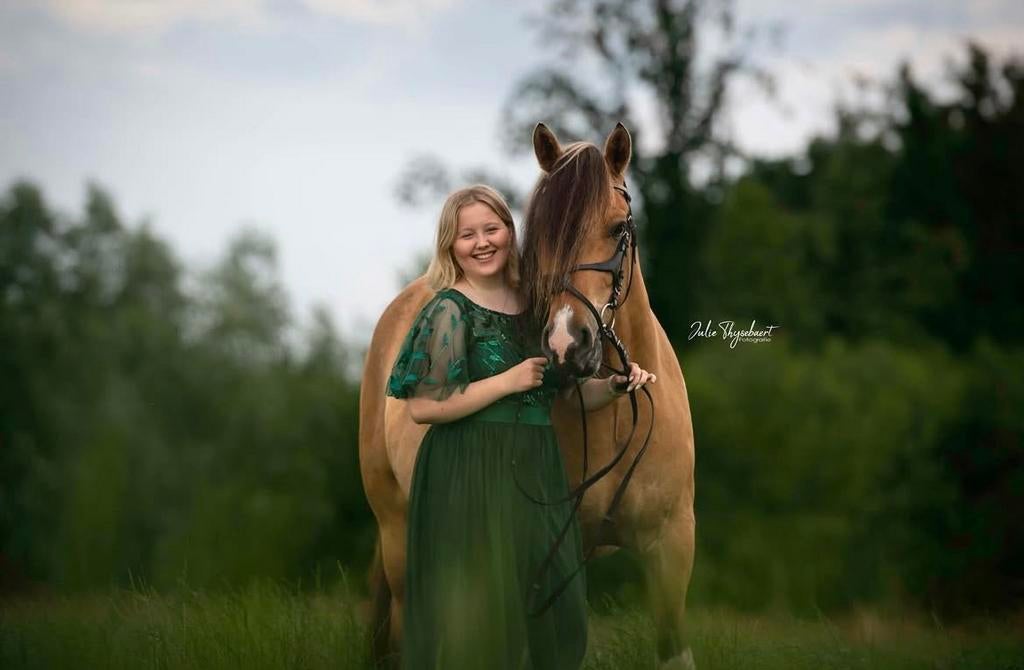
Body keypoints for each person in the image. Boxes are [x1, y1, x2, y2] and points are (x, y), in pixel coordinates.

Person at [386, 184, 656, 670]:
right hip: (469, 469)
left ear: (512, 234)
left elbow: (561, 393)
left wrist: (615, 387)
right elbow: (424, 406)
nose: (482, 242)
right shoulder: (449, 308)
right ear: (450, 244)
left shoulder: (535, 307)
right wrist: (506, 382)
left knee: (559, 610)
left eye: (492, 229)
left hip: (535, 470)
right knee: (483, 627)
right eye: (467, 234)